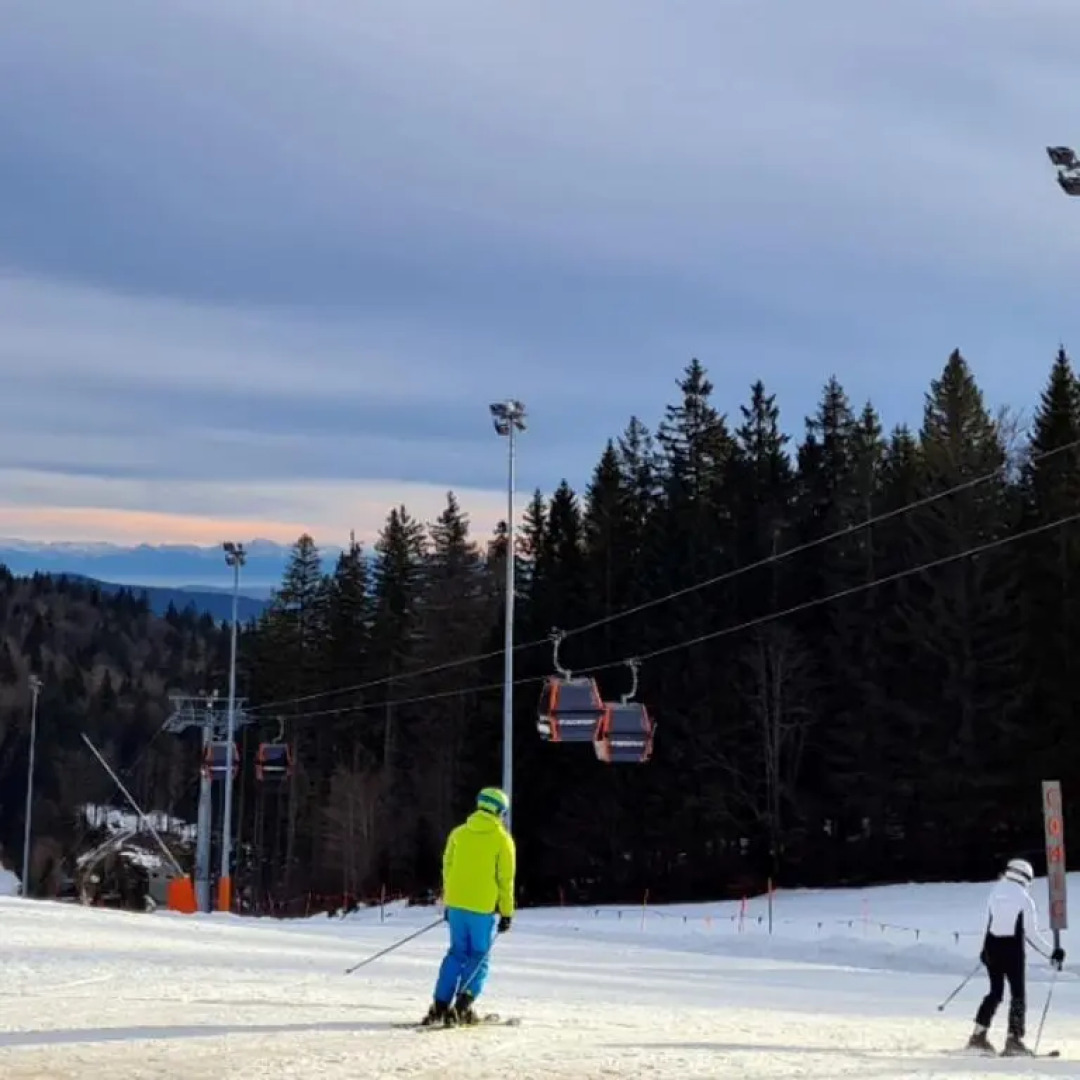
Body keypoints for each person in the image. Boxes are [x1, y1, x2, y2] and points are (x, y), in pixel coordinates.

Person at [422, 787, 516, 1026]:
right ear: (498, 811)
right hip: (481, 909)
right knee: (479, 956)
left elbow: (447, 868)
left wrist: (449, 901)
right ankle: (462, 1006)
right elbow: (505, 880)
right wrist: (506, 912)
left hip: (456, 906)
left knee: (456, 953)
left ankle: (440, 1006)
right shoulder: (502, 840)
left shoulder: (458, 833)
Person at [967, 857, 1065, 1057]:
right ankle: (1014, 1040)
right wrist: (1052, 953)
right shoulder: (1023, 898)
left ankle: (978, 1036)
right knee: (1017, 995)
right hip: (1013, 951)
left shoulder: (994, 893)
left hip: (992, 948)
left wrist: (983, 950)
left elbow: (987, 923)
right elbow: (1031, 934)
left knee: (995, 993)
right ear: (1026, 877)